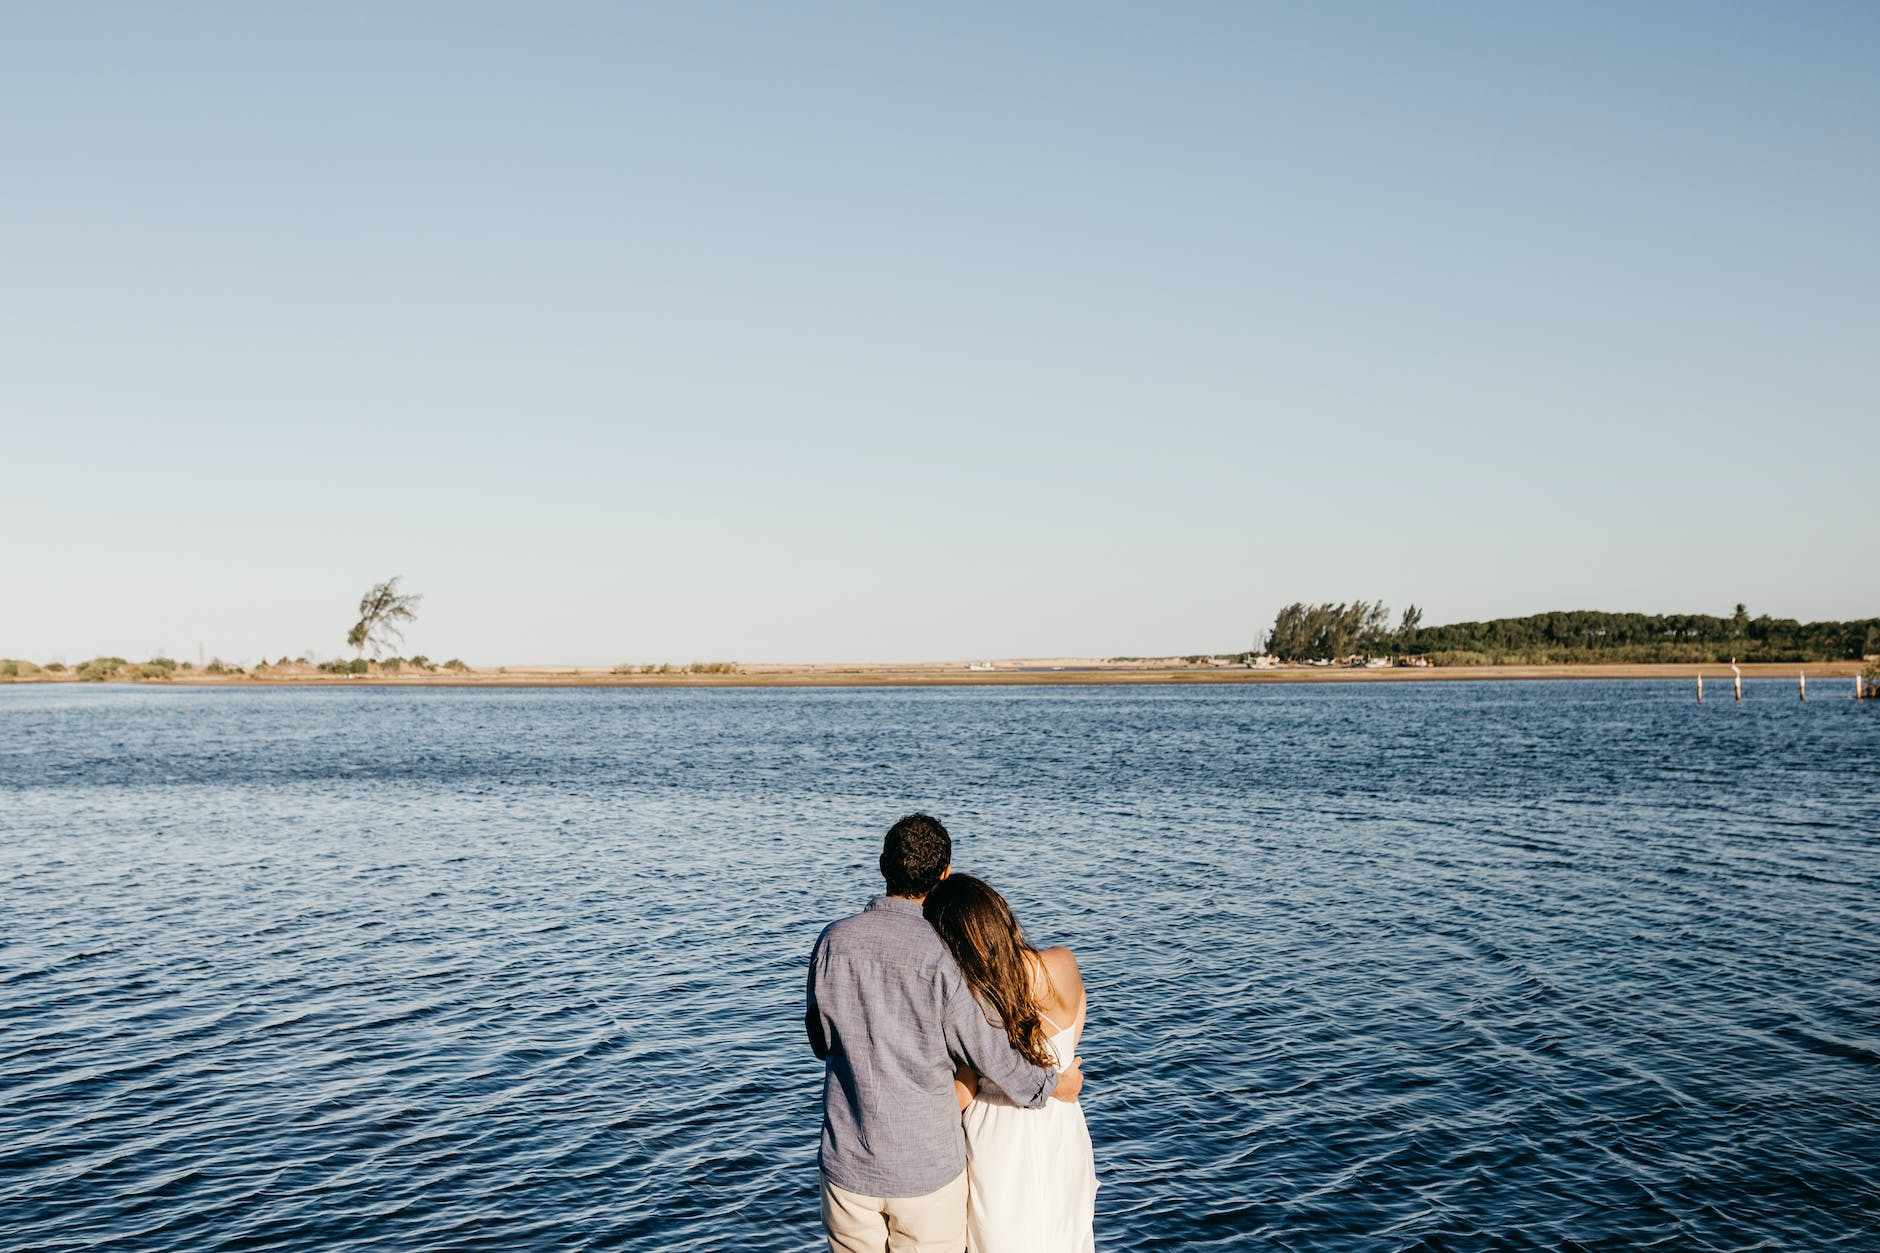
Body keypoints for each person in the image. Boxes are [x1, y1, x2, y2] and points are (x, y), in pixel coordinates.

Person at [806, 814, 1084, 1253]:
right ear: (944, 875)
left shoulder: (831, 942)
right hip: (927, 1175)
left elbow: (821, 1042)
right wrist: (1055, 1085)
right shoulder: (944, 958)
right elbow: (992, 1056)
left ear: (882, 865)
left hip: (849, 1167)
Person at [923, 874, 1096, 1253]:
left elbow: (964, 1092)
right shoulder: (1062, 963)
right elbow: (1069, 1045)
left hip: (998, 1136)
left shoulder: (972, 998)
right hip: (1062, 1125)